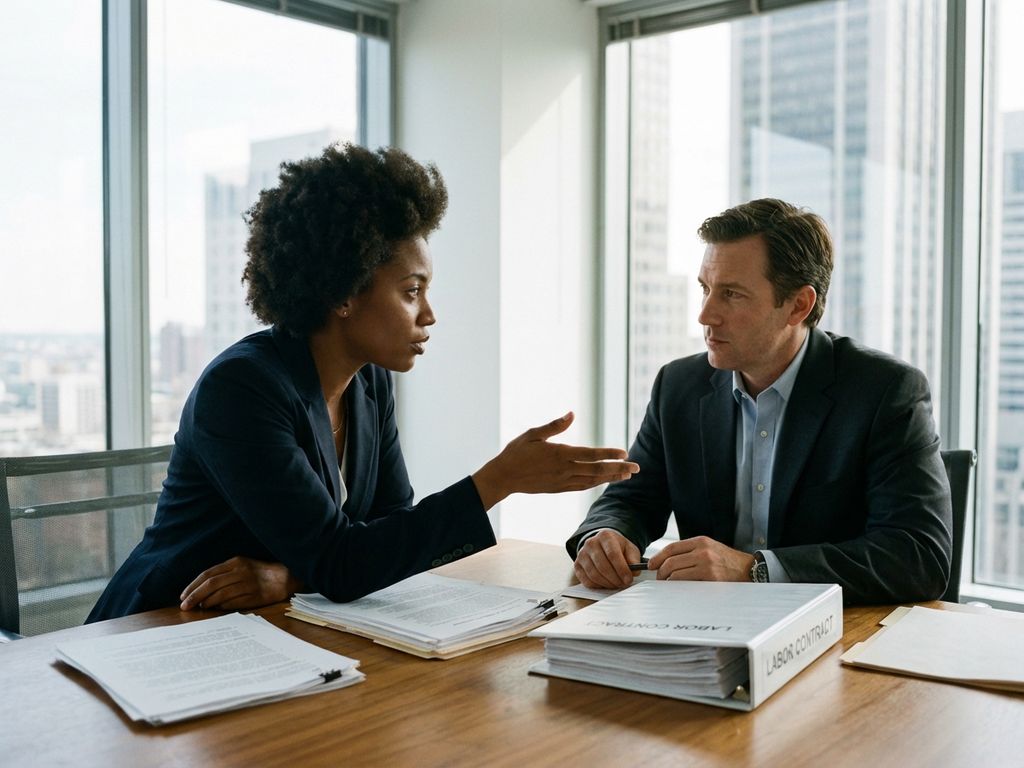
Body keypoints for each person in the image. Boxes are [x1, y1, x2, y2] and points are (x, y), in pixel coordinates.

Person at [88, 144, 638, 622]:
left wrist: (290, 578)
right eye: (410, 291)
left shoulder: (368, 384)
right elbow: (344, 561)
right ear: (344, 293)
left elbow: (388, 535)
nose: (429, 315)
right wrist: (497, 479)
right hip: (162, 626)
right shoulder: (242, 390)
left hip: (271, 625)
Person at [568, 198, 952, 605]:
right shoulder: (679, 385)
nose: (705, 315)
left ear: (798, 305)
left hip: (831, 636)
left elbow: (918, 556)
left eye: (731, 294)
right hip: (704, 630)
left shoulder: (884, 391)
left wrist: (755, 570)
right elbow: (632, 499)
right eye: (705, 288)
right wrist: (605, 536)